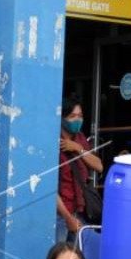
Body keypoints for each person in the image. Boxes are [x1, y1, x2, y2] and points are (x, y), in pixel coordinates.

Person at [56, 97, 103, 242]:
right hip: (61, 215)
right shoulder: (53, 142)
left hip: (80, 211)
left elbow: (98, 165)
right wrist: (68, 218)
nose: (77, 120)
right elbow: (51, 190)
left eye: (80, 116)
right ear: (62, 118)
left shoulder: (80, 138)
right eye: (72, 116)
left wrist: (78, 149)